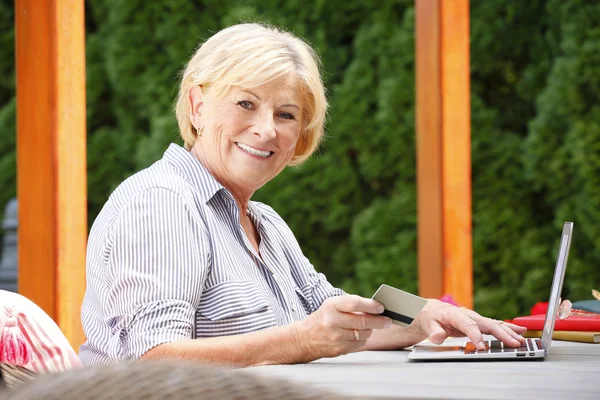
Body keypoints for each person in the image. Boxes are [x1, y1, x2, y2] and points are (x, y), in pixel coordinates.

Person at [79, 23, 526, 366]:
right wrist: (301, 340)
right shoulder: (161, 202)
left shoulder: (265, 222)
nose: (267, 129)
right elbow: (150, 362)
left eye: (286, 114)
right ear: (197, 106)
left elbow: (333, 316)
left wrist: (426, 316)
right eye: (246, 103)